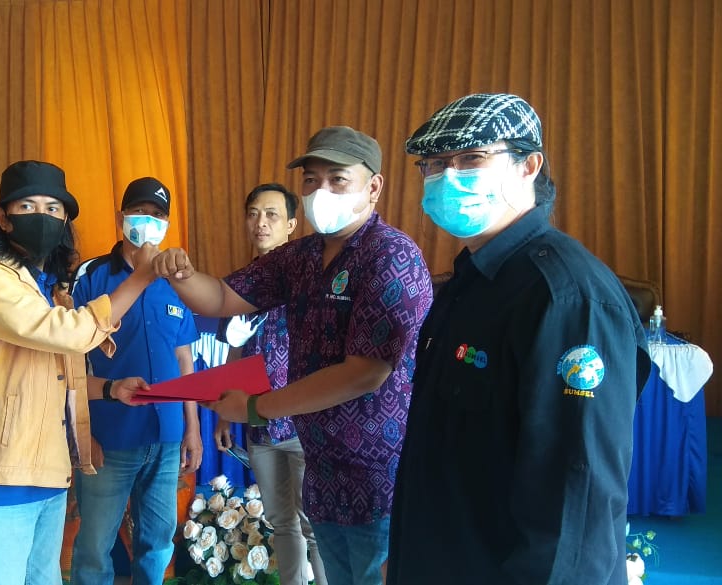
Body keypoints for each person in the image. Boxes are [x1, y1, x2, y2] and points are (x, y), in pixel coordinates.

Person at [386, 93, 652, 584]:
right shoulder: (469, 282)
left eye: (472, 158)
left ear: (528, 166)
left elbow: (576, 504)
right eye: (436, 164)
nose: (448, 177)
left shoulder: (566, 297)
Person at [151, 127, 434, 585]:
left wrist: (256, 407)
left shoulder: (391, 256)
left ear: (373, 187)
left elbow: (363, 373)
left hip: (376, 476)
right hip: (321, 467)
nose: (321, 191)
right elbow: (222, 298)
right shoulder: (300, 257)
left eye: (337, 179)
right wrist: (181, 274)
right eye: (311, 180)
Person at [0, 160, 156, 585]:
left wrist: (112, 388)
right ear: (3, 218)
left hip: (47, 472)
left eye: (53, 208)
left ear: (64, 222)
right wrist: (140, 278)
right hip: (1, 475)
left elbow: (59, 378)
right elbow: (70, 333)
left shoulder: (49, 289)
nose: (42, 216)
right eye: (27, 206)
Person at [70, 177, 203, 585]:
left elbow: (185, 360)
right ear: (121, 218)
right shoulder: (91, 276)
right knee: (95, 547)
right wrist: (82, 433)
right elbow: (70, 361)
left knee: (158, 542)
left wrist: (192, 429)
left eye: (158, 214)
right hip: (110, 436)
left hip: (166, 436)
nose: (149, 220)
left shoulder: (177, 280)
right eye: (140, 211)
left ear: (167, 224)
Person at [213, 183, 327, 585]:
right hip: (258, 426)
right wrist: (224, 414)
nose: (260, 223)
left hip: (303, 424)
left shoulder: (310, 280)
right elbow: (235, 349)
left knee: (314, 524)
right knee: (281, 523)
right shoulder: (240, 286)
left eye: (272, 214)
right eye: (253, 213)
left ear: (292, 224)